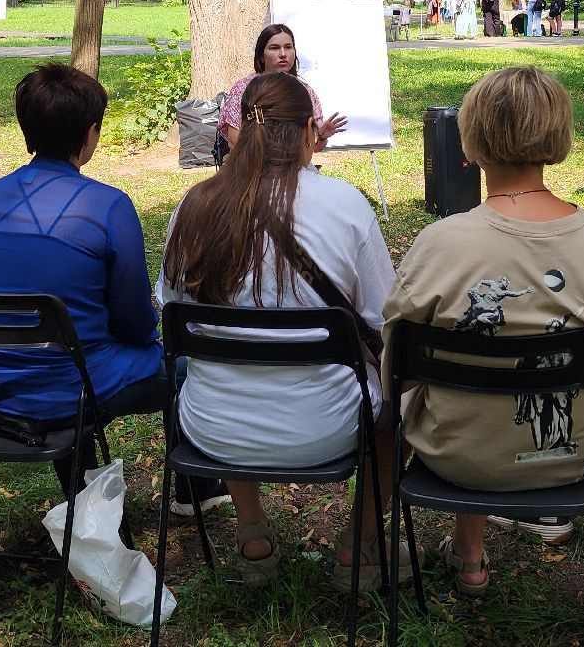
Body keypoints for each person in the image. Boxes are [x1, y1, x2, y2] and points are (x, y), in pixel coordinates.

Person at [385, 66, 584, 588]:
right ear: (559, 138)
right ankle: (468, 550)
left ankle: (438, 551)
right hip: (576, 457)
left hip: (457, 456)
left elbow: (397, 366)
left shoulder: (440, 245)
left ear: (470, 143)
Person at [158, 73, 404, 587]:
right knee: (409, 395)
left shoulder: (193, 207)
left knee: (233, 366)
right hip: (329, 425)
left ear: (239, 131)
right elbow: (387, 319)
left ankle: (252, 535)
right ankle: (360, 545)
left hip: (211, 427)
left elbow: (172, 307)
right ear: (312, 131)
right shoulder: (346, 206)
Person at [0, 63, 225, 508]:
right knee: (189, 368)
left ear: (27, 129)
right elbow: (136, 324)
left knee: (72, 356)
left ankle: (83, 497)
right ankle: (195, 491)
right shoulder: (107, 207)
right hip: (76, 385)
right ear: (90, 134)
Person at [219, 24, 346, 151]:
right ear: (262, 55)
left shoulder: (305, 91)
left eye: (288, 47)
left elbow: (315, 148)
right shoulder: (243, 88)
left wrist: (321, 136)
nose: (283, 54)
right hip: (253, 166)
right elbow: (233, 140)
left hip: (293, 168)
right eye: (274, 48)